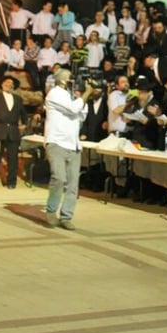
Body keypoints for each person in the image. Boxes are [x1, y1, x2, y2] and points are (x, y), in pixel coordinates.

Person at [43, 69, 102, 230]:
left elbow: (82, 114)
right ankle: (50, 211)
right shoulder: (55, 93)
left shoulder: (72, 96)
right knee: (59, 178)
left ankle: (66, 216)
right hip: (57, 142)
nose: (72, 80)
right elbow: (73, 109)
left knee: (73, 184)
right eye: (70, 77)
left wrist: (84, 94)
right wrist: (86, 93)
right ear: (61, 80)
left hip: (73, 144)